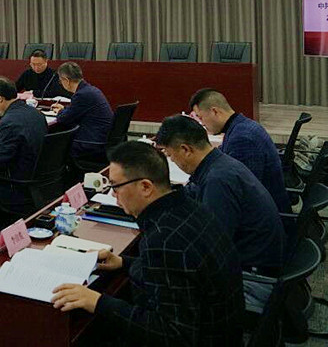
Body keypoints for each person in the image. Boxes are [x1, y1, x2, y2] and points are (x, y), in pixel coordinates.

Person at [51, 141, 245, 345]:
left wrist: (97, 301)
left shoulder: (164, 240)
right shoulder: (190, 207)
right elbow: (180, 274)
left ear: (145, 187)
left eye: (116, 187)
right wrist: (123, 263)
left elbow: (173, 335)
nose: (113, 195)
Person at [156, 114, 285, 312]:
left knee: (162, 285)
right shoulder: (218, 163)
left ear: (185, 150)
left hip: (254, 280)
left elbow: (211, 249)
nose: (172, 161)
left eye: (170, 155)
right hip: (256, 263)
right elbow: (192, 193)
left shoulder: (218, 181)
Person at [188, 88, 290, 213]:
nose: (202, 123)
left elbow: (238, 190)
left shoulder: (243, 138)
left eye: (200, 117)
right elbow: (216, 158)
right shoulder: (240, 126)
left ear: (214, 111)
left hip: (266, 216)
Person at [0, 76, 48, 234]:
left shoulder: (8, 122)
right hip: (40, 180)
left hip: (16, 184)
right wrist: (0, 136)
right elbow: (22, 136)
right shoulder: (35, 113)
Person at [50, 62, 113, 162]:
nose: (61, 83)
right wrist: (63, 109)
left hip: (92, 143)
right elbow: (74, 111)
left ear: (66, 80)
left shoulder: (82, 95)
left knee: (53, 144)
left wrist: (60, 112)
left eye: (60, 81)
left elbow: (63, 119)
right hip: (104, 138)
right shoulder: (91, 90)